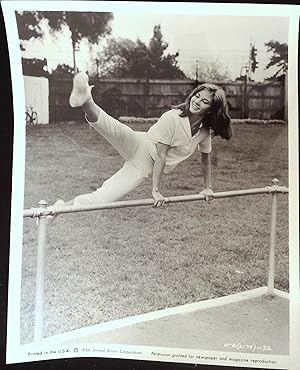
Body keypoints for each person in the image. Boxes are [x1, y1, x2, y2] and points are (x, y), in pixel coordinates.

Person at [49, 72, 232, 217]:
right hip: (140, 143)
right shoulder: (173, 117)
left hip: (143, 166)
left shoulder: (205, 131)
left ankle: (59, 208)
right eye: (197, 96)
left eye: (205, 101)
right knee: (109, 126)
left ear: (212, 110)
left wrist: (208, 187)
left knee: (104, 197)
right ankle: (86, 99)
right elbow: (161, 154)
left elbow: (205, 159)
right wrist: (156, 190)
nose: (197, 101)